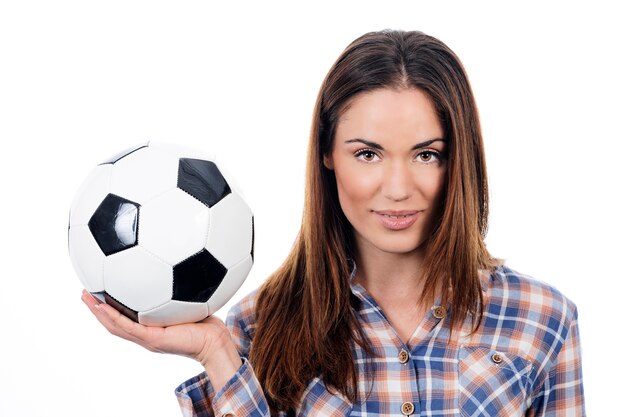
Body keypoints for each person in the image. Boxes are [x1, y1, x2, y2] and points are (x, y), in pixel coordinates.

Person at [81, 29, 586, 416]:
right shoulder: (258, 329)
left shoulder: (543, 319)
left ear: (461, 160)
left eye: (427, 155)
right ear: (327, 154)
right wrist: (215, 352)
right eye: (367, 153)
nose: (397, 187)